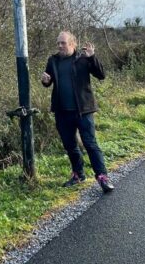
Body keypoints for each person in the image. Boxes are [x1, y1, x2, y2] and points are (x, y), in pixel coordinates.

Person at [41, 31, 114, 192]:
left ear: (72, 44)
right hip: (62, 112)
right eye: (58, 43)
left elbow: (101, 75)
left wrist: (92, 57)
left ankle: (102, 177)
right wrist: (45, 81)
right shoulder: (52, 61)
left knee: (90, 144)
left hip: (83, 111)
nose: (60, 46)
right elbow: (48, 80)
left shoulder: (83, 59)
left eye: (63, 43)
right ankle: (78, 174)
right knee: (70, 145)